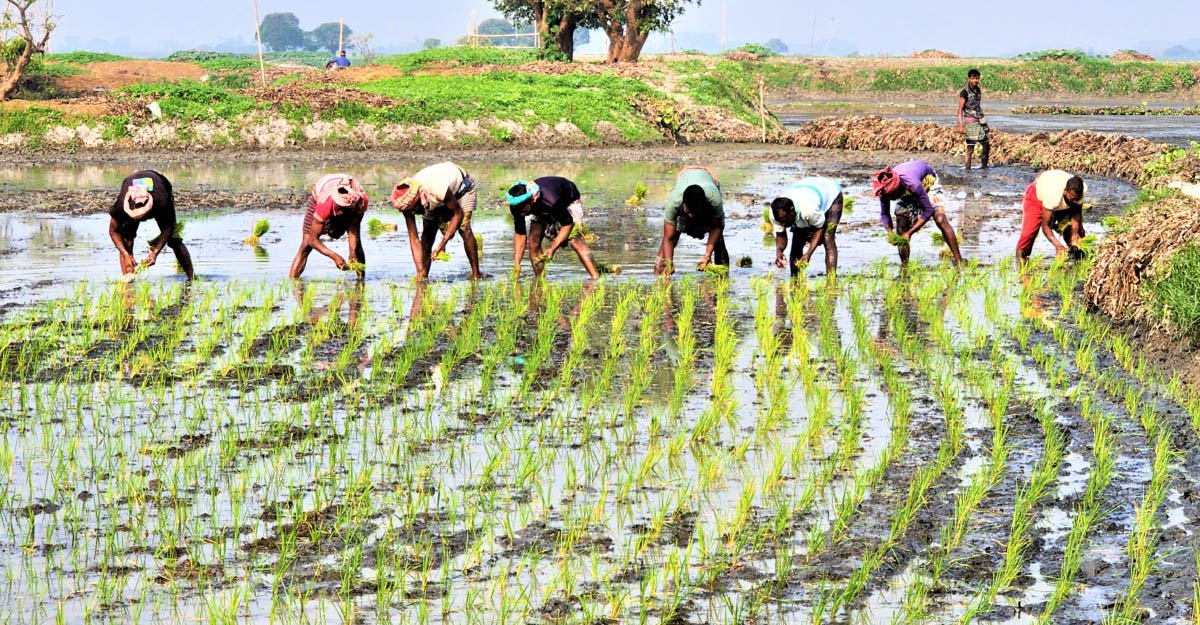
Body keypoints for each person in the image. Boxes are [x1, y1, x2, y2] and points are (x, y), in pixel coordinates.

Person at [391, 161, 482, 281]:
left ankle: (476, 274)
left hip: (461, 189)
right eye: (410, 211)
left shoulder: (437, 189)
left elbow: (458, 213)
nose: (412, 213)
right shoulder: (405, 202)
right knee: (427, 235)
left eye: (414, 210)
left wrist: (442, 243)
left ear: (419, 200)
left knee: (464, 229)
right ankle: (424, 275)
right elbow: (413, 237)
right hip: (434, 197)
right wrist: (420, 272)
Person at [873, 160, 964, 266]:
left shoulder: (912, 184)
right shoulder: (885, 189)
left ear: (897, 191)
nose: (892, 200)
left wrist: (910, 232)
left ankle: (958, 260)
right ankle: (905, 267)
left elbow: (928, 210)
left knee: (940, 219)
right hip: (907, 191)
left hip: (928, 184)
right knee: (901, 224)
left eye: (893, 198)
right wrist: (890, 233)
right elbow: (885, 214)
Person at [108, 170, 195, 280]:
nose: (139, 220)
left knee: (173, 239)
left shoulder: (161, 201)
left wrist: (155, 253)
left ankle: (191, 278)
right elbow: (113, 231)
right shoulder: (122, 205)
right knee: (127, 238)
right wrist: (126, 254)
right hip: (129, 187)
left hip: (161, 184)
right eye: (136, 216)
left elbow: (168, 228)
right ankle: (128, 283)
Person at [506, 177, 601, 279]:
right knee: (533, 240)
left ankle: (596, 279)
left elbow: (567, 224)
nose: (521, 213)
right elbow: (520, 234)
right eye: (518, 210)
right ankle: (539, 280)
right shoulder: (516, 206)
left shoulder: (551, 201)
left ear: (531, 201)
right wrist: (517, 264)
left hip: (567, 201)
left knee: (574, 241)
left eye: (524, 210)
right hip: (541, 208)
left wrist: (552, 249)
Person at [289, 173, 368, 278]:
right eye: (339, 208)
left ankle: (361, 283)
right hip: (323, 187)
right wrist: (334, 256)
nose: (340, 213)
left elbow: (354, 229)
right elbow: (313, 240)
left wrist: (352, 252)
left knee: (357, 247)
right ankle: (293, 282)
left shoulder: (360, 202)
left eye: (344, 209)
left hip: (349, 198)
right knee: (306, 244)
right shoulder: (324, 204)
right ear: (335, 202)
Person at [655, 166, 728, 276]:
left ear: (703, 205)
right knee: (667, 246)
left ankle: (723, 280)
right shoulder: (674, 202)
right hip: (685, 177)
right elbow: (668, 238)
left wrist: (707, 255)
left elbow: (716, 227)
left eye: (694, 213)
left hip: (708, 181)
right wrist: (669, 263)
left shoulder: (714, 200)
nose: (691, 216)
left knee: (719, 242)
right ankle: (660, 280)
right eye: (688, 212)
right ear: (684, 204)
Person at [771, 177, 844, 277]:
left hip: (830, 193)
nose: (782, 224)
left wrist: (808, 253)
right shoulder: (776, 214)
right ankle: (795, 282)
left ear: (792, 211)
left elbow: (820, 227)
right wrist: (779, 252)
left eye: (784, 220)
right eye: (780, 221)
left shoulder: (809, 209)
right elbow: (781, 234)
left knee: (828, 238)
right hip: (806, 189)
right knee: (797, 241)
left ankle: (831, 281)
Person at [1016, 170, 1088, 264]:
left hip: (1059, 199)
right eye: (1072, 199)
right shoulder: (1053, 195)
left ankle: (1079, 258)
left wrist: (1074, 233)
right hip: (1036, 197)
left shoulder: (1081, 191)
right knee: (1028, 234)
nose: (1075, 202)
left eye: (1077, 200)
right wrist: (1057, 245)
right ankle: (1021, 262)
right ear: (1065, 191)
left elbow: (1076, 212)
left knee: (1078, 233)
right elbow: (1045, 226)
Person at [957, 69, 990, 170]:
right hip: (970, 122)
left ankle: (984, 168)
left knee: (986, 145)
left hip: (979, 120)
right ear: (969, 79)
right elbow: (960, 109)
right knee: (970, 148)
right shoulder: (964, 92)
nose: (975, 80)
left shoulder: (978, 90)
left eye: (977, 78)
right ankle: (968, 170)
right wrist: (960, 125)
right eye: (973, 78)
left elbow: (978, 107)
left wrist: (984, 122)